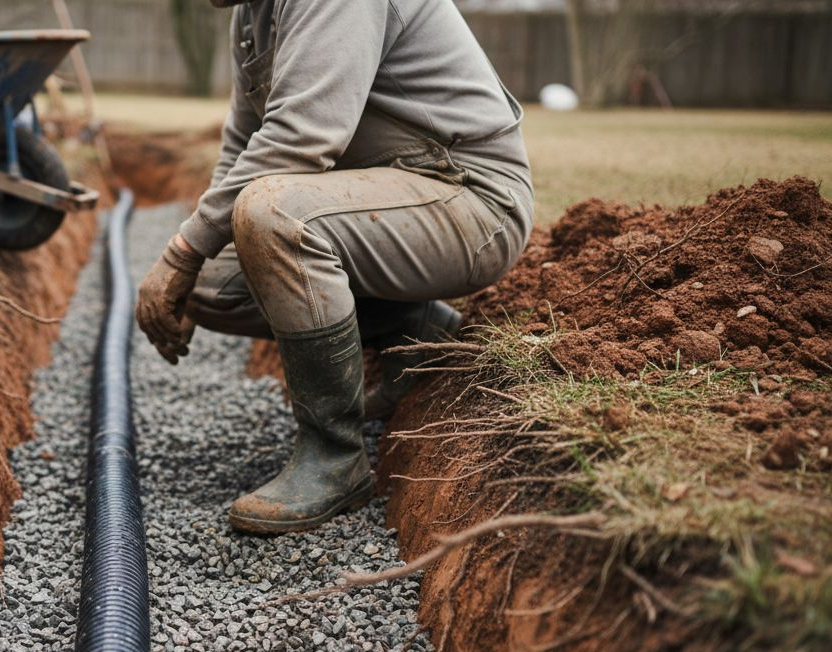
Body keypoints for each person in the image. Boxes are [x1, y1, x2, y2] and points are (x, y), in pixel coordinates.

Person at [135, 0, 534, 534]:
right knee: (207, 285)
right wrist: (192, 256)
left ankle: (334, 455)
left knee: (273, 212)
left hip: (468, 197)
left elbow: (300, 138)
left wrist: (179, 252)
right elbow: (241, 143)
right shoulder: (251, 14)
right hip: (383, 196)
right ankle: (415, 331)